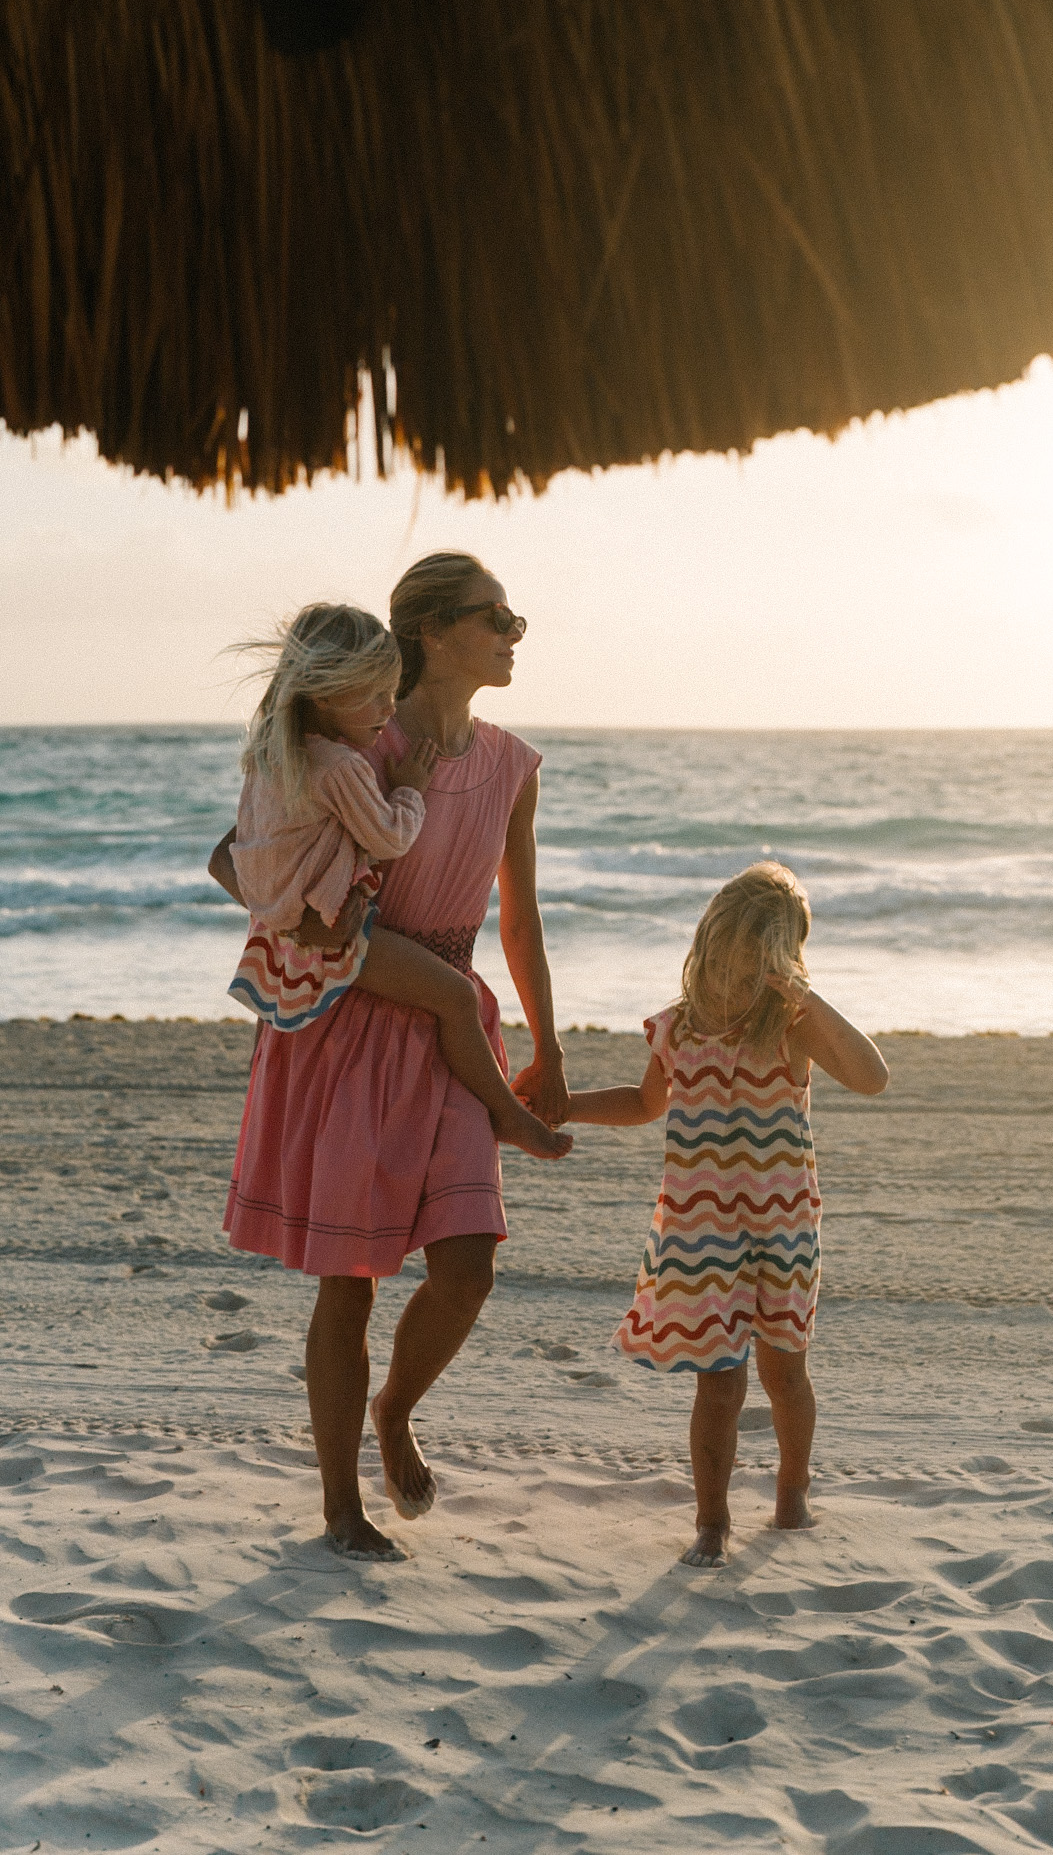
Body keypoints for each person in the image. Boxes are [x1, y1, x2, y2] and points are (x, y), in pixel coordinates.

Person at [209, 552, 571, 1561]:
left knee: (468, 1266)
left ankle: (395, 1410)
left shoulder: (510, 762)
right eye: (494, 616)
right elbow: (234, 855)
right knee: (350, 1278)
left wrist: (547, 1040)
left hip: (458, 1022)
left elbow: (522, 914)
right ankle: (339, 1507)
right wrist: (329, 937)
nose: (515, 630)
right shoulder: (363, 735)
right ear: (431, 632)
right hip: (353, 1019)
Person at [565, 861, 889, 1567]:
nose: (746, 981)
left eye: (769, 965)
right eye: (740, 963)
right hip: (702, 1231)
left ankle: (791, 1489)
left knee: (784, 1374)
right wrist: (567, 1107)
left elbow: (873, 1075)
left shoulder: (793, 1027)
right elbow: (644, 1104)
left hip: (784, 1227)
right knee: (720, 1379)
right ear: (714, 950)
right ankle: (711, 1521)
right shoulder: (678, 1030)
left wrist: (811, 999)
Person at [226, 599, 569, 1165]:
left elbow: (242, 851)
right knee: (457, 997)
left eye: (391, 691)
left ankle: (504, 1111)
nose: (387, 708)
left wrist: (279, 908)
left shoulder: (274, 755)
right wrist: (409, 788)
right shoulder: (349, 761)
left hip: (299, 935)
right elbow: (389, 838)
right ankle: (506, 1112)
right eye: (375, 694)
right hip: (339, 934)